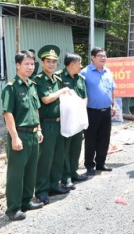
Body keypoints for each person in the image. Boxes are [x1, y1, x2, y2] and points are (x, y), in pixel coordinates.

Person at [1, 50, 44, 221]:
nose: (30, 67)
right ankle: (13, 208)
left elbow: (36, 110)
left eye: (32, 63)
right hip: (20, 135)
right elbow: (8, 113)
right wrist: (14, 137)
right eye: (26, 63)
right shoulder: (11, 87)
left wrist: (39, 129)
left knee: (30, 170)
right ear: (18, 65)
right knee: (16, 173)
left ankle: (26, 201)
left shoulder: (32, 85)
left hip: (33, 135)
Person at [34, 45, 71, 205]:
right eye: (48, 61)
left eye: (54, 62)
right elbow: (46, 99)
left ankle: (54, 185)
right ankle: (42, 191)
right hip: (46, 124)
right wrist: (61, 92)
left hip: (59, 124)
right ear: (42, 63)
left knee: (58, 156)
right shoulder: (38, 80)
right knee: (45, 159)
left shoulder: (58, 80)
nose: (51, 64)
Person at [80, 47, 117, 175]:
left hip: (106, 110)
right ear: (93, 57)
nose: (103, 58)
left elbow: (112, 89)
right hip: (91, 111)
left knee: (104, 137)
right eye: (100, 56)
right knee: (90, 138)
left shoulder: (108, 71)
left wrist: (114, 105)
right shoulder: (85, 72)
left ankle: (101, 163)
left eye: (104, 56)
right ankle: (89, 164)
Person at [56, 53, 88, 189]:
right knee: (65, 148)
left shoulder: (80, 78)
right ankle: (66, 177)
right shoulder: (58, 77)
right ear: (72, 64)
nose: (81, 66)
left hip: (78, 119)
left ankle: (74, 172)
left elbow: (85, 96)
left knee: (76, 147)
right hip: (65, 119)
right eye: (79, 63)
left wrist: (81, 111)